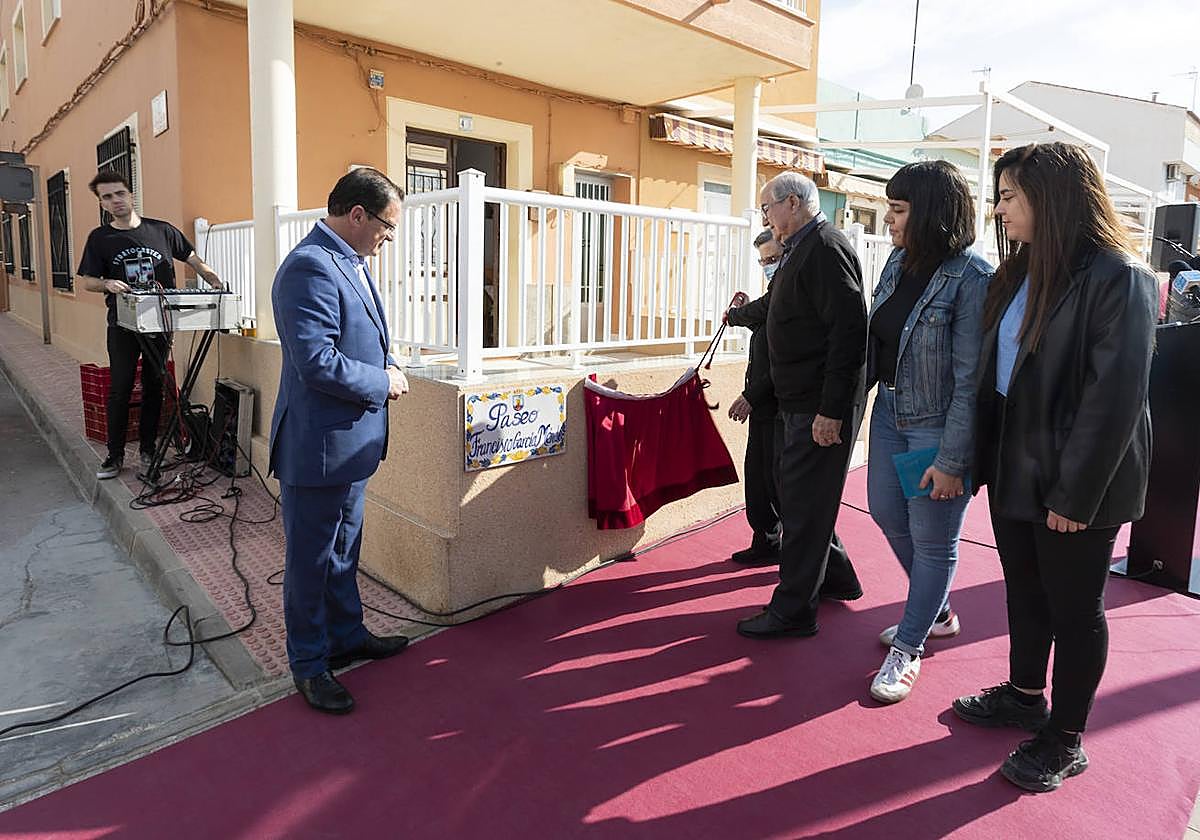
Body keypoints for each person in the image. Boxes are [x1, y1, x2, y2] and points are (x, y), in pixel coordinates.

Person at [953, 142, 1157, 792]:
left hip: (1078, 479)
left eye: (1009, 196)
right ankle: (1022, 696)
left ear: (1052, 197)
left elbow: (1114, 399)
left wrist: (1075, 494)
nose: (999, 208)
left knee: (1075, 610)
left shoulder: (1119, 276)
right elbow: (997, 376)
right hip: (1018, 464)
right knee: (1025, 592)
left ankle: (1065, 738)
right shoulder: (1019, 273)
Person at [269, 167, 412, 715]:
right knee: (310, 561)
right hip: (318, 449)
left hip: (350, 447)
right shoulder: (309, 266)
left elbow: (363, 335)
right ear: (357, 215)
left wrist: (389, 360)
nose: (388, 237)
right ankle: (309, 664)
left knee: (343, 551)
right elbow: (316, 361)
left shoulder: (346, 259)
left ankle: (347, 635)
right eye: (386, 226)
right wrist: (383, 381)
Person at [864, 161, 992, 703]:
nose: (888, 220)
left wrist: (954, 458)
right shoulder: (897, 259)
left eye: (897, 209)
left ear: (931, 212)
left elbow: (970, 381)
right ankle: (936, 610)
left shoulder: (972, 277)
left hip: (937, 428)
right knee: (886, 512)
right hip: (890, 412)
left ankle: (909, 646)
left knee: (933, 541)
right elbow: (877, 340)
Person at [737, 171, 867, 640]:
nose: (765, 216)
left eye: (768, 207)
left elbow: (849, 335)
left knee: (804, 509)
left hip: (817, 408)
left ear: (792, 203)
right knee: (804, 503)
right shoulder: (802, 248)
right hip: (800, 403)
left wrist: (831, 411)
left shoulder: (826, 249)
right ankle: (836, 580)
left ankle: (793, 610)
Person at [77, 170, 222, 480]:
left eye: (119, 193)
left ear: (131, 195)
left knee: (155, 386)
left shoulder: (162, 231)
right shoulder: (100, 238)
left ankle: (147, 450)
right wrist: (108, 284)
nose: (115, 200)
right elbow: (88, 281)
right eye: (107, 197)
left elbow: (192, 258)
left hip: (160, 321)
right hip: (122, 324)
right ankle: (114, 456)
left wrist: (213, 279)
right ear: (102, 203)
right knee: (121, 387)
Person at [723, 229, 783, 565]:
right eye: (763, 261)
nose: (768, 266)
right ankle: (767, 542)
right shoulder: (775, 291)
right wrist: (743, 318)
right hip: (764, 405)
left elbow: (784, 358)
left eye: (773, 259)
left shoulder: (788, 293)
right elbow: (763, 321)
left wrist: (751, 395)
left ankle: (823, 568)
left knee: (779, 485)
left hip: (778, 406)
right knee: (759, 482)